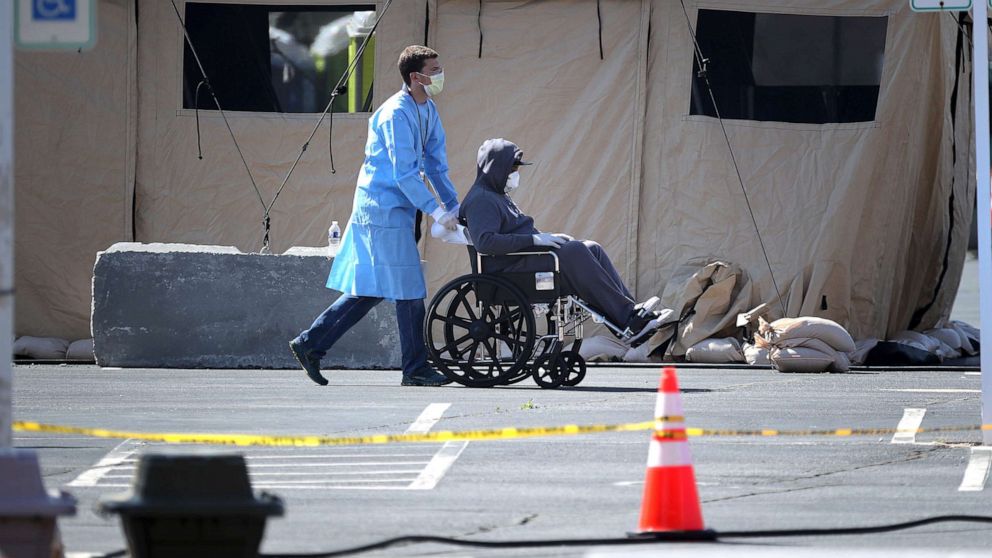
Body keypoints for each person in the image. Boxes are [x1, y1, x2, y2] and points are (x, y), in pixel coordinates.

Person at [290, 46, 460, 386]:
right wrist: (436, 211)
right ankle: (415, 369)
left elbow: (435, 164)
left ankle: (311, 343)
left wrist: (455, 207)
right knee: (409, 288)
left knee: (372, 288)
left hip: (399, 208)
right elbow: (403, 174)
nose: (441, 74)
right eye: (435, 69)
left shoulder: (428, 109)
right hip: (381, 209)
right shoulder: (395, 113)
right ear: (416, 76)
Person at [459, 138, 665, 346]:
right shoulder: (482, 200)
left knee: (592, 248)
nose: (515, 173)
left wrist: (549, 238)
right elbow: (486, 243)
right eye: (512, 168)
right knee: (574, 251)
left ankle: (629, 314)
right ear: (496, 168)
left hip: (522, 261)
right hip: (508, 271)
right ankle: (627, 318)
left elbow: (514, 230)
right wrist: (535, 240)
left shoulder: (497, 195)